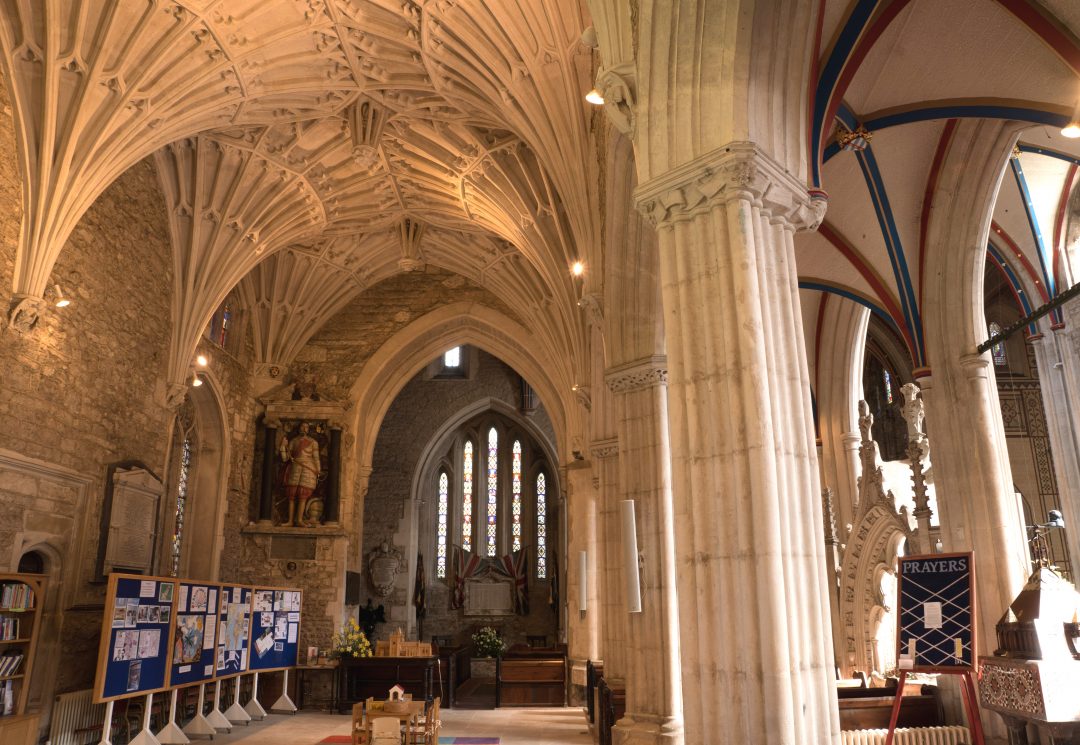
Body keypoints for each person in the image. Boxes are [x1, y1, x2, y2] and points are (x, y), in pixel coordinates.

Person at [279, 422, 321, 526]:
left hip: (308, 469)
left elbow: (316, 458)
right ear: (299, 428)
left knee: (303, 495)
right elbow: (285, 458)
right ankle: (290, 521)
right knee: (291, 495)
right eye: (302, 426)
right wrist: (283, 446)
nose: (304, 428)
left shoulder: (313, 442)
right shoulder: (293, 441)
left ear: (309, 429)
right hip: (295, 467)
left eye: (306, 427)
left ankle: (300, 520)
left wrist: (318, 470)